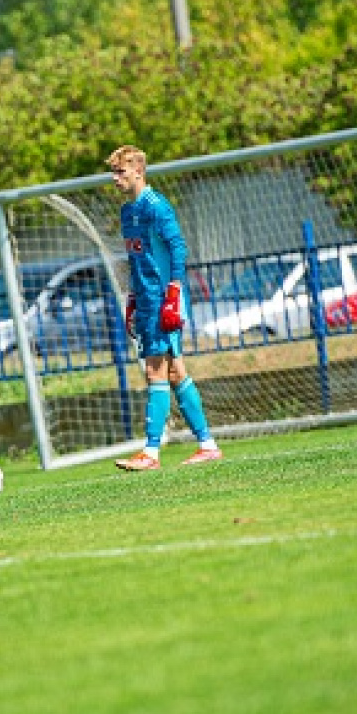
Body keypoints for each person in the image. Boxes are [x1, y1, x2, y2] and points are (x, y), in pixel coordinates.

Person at [106, 145, 222, 471]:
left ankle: (150, 453)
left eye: (121, 172)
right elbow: (137, 259)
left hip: (162, 298)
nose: (116, 179)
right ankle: (208, 445)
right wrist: (132, 297)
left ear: (139, 171)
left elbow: (178, 248)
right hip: (144, 299)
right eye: (113, 173)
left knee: (155, 370)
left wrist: (173, 290)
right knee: (175, 371)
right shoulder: (127, 214)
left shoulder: (156, 206)